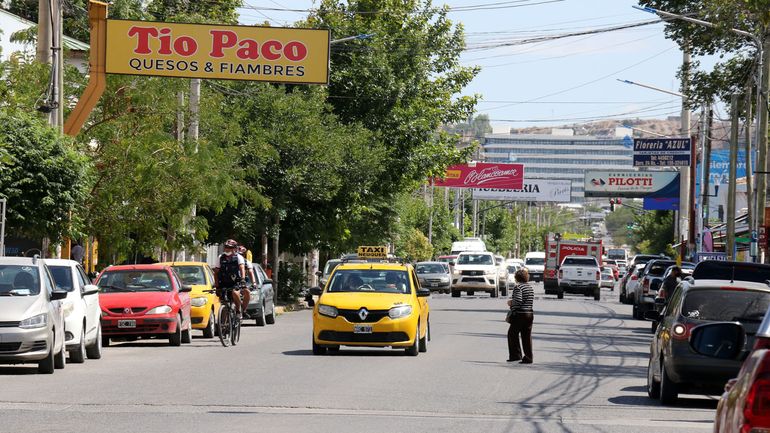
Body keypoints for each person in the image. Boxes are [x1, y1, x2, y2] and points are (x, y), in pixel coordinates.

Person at [212, 239, 251, 319]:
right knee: (223, 302)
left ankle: (238, 310)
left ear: (234, 249)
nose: (227, 249)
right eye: (226, 247)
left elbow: (242, 268)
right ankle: (223, 324)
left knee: (236, 293)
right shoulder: (220, 257)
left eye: (230, 247)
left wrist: (243, 279)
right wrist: (216, 285)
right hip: (223, 282)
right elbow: (216, 272)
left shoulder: (238, 257)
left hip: (235, 283)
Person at [507, 268, 534, 364]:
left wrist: (511, 303)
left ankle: (515, 355)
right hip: (529, 314)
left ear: (517, 278)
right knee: (526, 336)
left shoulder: (518, 287)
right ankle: (528, 357)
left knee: (512, 334)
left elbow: (518, 300)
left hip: (520, 314)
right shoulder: (530, 287)